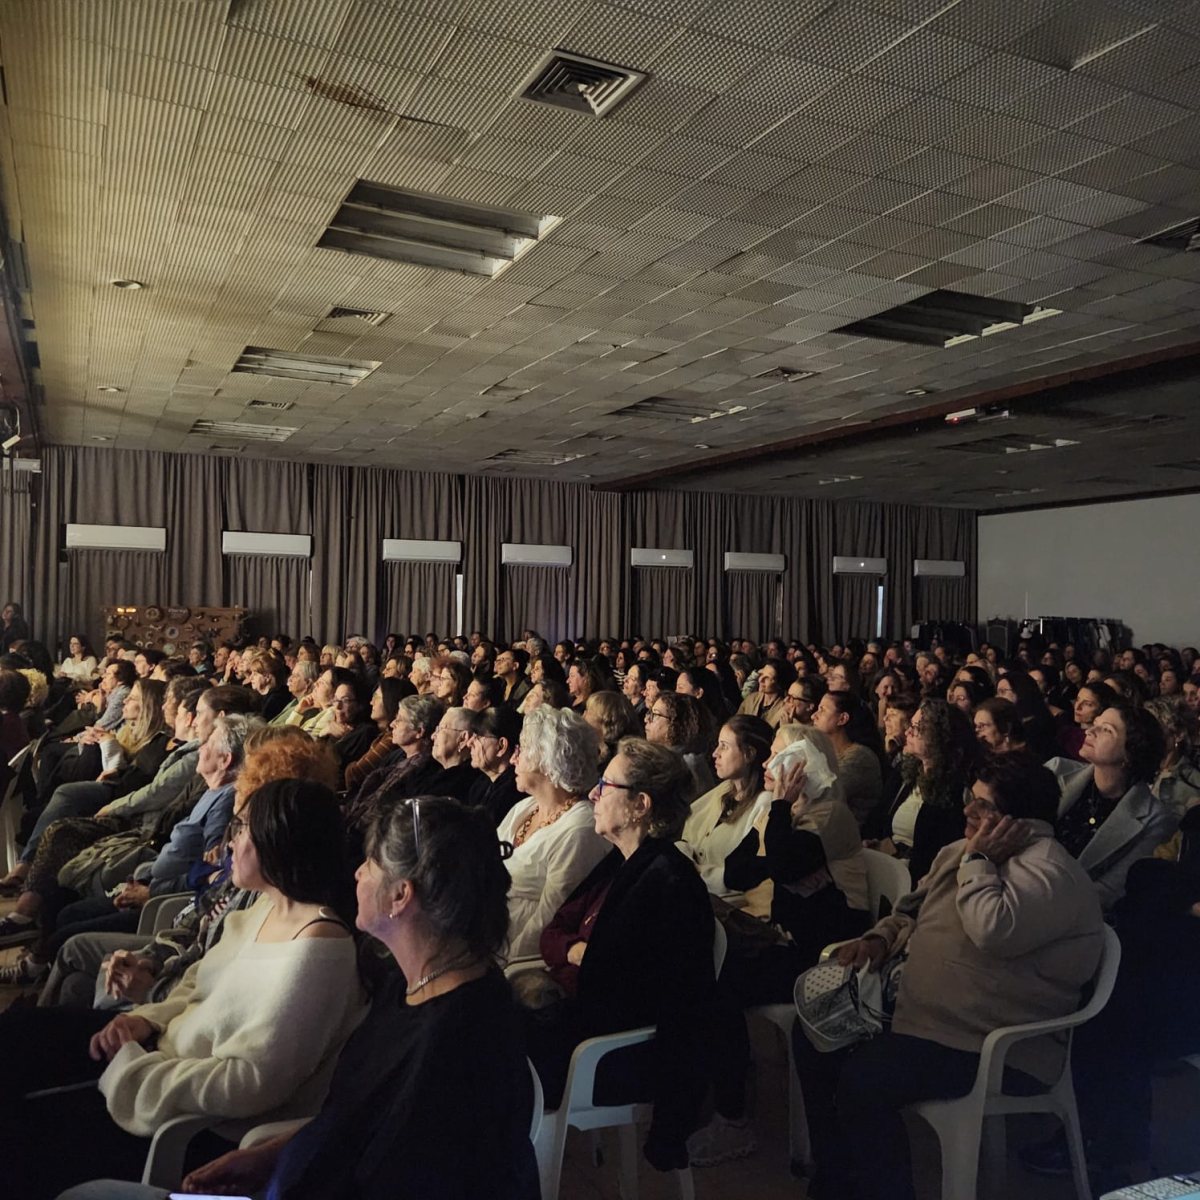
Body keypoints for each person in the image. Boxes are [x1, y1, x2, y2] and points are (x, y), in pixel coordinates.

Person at [0, 777, 365, 1198]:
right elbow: (197, 984)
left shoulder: (319, 947)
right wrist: (143, 1020)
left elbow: (249, 1083)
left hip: (192, 1123)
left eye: (242, 828)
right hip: (160, 1053)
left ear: (277, 839)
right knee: (18, 1034)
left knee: (24, 1133)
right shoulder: (264, 907)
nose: (231, 842)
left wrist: (136, 1067)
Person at [794, 752, 1104, 1200]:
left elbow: (991, 930)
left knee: (866, 1077)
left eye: (983, 807)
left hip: (991, 1041)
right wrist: (880, 940)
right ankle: (840, 1177)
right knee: (814, 1037)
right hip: (924, 1017)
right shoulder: (959, 851)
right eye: (969, 800)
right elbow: (910, 912)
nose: (967, 812)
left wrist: (979, 861)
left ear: (1016, 822)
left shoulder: (1050, 870)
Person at [528, 739, 717, 1170]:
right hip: (586, 1023)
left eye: (605, 785)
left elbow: (620, 987)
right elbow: (552, 931)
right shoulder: (620, 862)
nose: (593, 794)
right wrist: (576, 952)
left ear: (640, 805)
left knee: (484, 1052)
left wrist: (573, 956)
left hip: (618, 1055)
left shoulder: (668, 880)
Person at [496, 705, 608, 958]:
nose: (513, 758)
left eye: (521, 750)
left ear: (546, 760)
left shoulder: (581, 829)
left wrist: (503, 965)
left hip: (514, 958)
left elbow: (549, 921)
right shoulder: (524, 808)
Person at [1048, 702, 1176, 910]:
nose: (1090, 731)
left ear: (1130, 752)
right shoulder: (1056, 771)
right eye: (1095, 724)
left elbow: (1110, 890)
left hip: (1071, 914)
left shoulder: (1156, 819)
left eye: (1106, 729)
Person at [866, 698, 976, 885]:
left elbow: (935, 850)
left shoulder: (955, 789)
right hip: (888, 864)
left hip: (923, 879)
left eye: (917, 728)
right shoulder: (905, 772)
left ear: (939, 736)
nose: (908, 731)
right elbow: (879, 816)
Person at [680, 715, 774, 904]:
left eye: (724, 746)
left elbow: (742, 875)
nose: (715, 753)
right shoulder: (724, 790)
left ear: (749, 754)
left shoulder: (764, 803)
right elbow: (684, 833)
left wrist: (696, 871)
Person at [810, 691, 884, 829]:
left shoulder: (860, 757)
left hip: (849, 838)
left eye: (822, 710)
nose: (813, 715)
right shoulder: (828, 751)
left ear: (842, 719)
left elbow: (822, 794)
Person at [644, 691, 716, 801]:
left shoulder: (688, 766)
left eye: (656, 715)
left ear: (677, 723)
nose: (647, 719)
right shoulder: (663, 758)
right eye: (649, 713)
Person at [466, 705, 526, 827]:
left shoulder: (513, 793)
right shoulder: (480, 784)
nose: (469, 743)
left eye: (477, 737)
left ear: (501, 746)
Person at [343, 678, 406, 794]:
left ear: (390, 700)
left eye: (376, 697)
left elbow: (355, 774)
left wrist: (350, 766)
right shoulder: (383, 735)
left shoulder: (391, 739)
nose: (371, 702)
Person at [583, 689, 638, 768]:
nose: (584, 715)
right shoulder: (593, 747)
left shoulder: (620, 758)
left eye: (588, 710)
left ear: (606, 718)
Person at [737, 658, 794, 728]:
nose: (760, 680)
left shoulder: (785, 708)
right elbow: (737, 723)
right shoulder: (751, 699)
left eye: (767, 678)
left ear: (779, 683)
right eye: (761, 674)